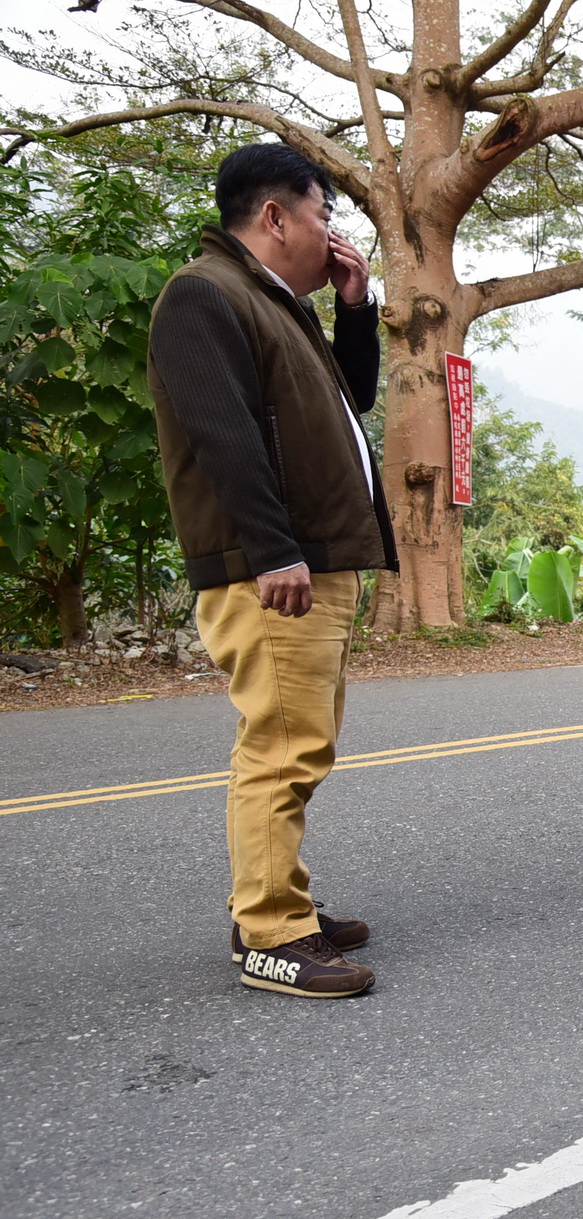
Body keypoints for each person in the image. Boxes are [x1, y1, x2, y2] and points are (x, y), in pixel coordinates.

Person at [147, 143, 394, 998]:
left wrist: (355, 308)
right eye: (324, 214)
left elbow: (351, 401)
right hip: (276, 566)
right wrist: (273, 548)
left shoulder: (275, 304)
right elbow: (222, 433)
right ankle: (272, 932)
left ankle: (276, 900)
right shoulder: (204, 294)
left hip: (311, 558)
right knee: (282, 747)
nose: (332, 235)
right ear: (276, 215)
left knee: (300, 742)